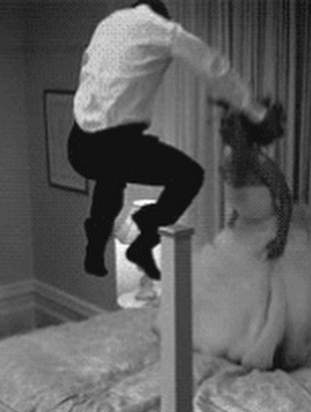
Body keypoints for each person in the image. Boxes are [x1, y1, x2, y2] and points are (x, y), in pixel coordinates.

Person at [68, 0, 269, 279]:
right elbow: (214, 67)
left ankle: (95, 245)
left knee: (112, 174)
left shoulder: (108, 24)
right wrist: (256, 112)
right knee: (189, 176)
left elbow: (88, 67)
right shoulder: (162, 29)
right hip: (115, 143)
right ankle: (144, 237)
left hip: (79, 144)